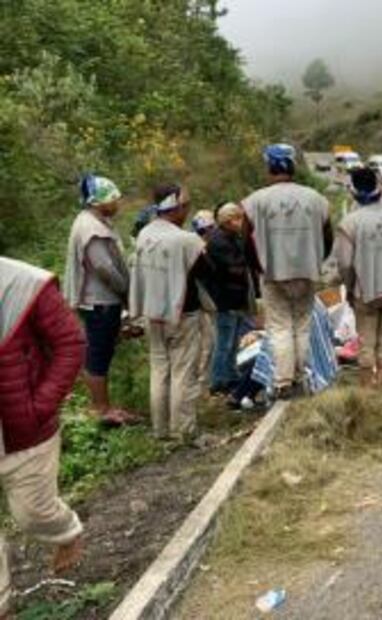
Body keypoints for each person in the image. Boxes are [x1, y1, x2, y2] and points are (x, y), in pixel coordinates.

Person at [0, 257, 86, 617]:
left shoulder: (23, 284)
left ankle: (67, 531)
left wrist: (38, 406)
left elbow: (70, 342)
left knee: (34, 514)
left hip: (24, 436)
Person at [241, 144, 333, 399]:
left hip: (272, 273)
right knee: (302, 326)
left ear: (269, 167)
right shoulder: (316, 199)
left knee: (280, 327)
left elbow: (246, 240)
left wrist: (258, 268)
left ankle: (283, 382)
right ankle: (301, 377)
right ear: (293, 167)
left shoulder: (255, 201)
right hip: (307, 271)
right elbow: (328, 237)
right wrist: (316, 261)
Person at [130, 185, 212, 441]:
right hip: (182, 313)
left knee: (159, 370)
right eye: (185, 205)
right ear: (175, 207)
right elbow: (206, 271)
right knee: (182, 373)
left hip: (152, 312)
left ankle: (160, 429)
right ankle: (183, 430)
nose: (187, 211)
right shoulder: (186, 240)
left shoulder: (144, 234)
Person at [64, 174, 132, 426]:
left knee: (99, 351)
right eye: (112, 199)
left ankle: (102, 405)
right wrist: (127, 289)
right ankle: (101, 409)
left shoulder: (90, 221)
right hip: (100, 301)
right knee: (98, 354)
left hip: (98, 300)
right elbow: (104, 268)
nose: (116, 204)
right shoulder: (91, 229)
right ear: (97, 201)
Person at [334, 168, 382, 388]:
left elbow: (346, 264)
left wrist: (350, 290)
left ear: (354, 190)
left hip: (367, 291)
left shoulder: (350, 222)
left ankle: (366, 391)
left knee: (367, 343)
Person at [206, 203, 257, 395]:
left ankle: (230, 375)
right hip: (225, 299)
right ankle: (219, 380)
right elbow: (234, 267)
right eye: (237, 218)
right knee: (224, 342)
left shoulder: (232, 237)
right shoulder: (219, 241)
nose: (240, 222)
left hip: (235, 297)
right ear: (227, 221)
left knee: (233, 341)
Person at [191, 210, 217, 392]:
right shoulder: (201, 248)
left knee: (206, 342)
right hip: (202, 303)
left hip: (199, 303)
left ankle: (202, 378)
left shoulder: (197, 244)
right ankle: (202, 380)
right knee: (208, 341)